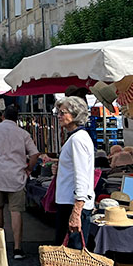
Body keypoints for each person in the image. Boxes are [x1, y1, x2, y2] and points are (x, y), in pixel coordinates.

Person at [0, 105, 39, 259]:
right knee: (16, 211)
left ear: (3, 116)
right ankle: (18, 248)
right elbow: (35, 154)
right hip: (16, 176)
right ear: (17, 118)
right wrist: (29, 169)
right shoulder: (23, 133)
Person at [55, 95, 95, 248]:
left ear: (75, 114)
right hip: (69, 201)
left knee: (71, 253)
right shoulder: (76, 138)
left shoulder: (78, 139)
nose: (59, 116)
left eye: (62, 112)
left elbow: (81, 177)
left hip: (72, 203)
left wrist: (76, 211)